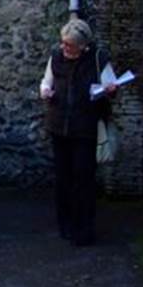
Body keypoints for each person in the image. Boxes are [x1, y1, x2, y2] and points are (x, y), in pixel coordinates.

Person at [39, 19, 116, 246]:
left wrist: (109, 90)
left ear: (83, 46)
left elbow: (110, 85)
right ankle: (65, 225)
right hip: (59, 124)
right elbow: (46, 81)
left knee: (83, 178)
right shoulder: (56, 56)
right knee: (63, 178)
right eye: (64, 44)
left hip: (85, 127)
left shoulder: (97, 58)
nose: (65, 49)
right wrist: (46, 92)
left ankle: (84, 228)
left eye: (70, 45)